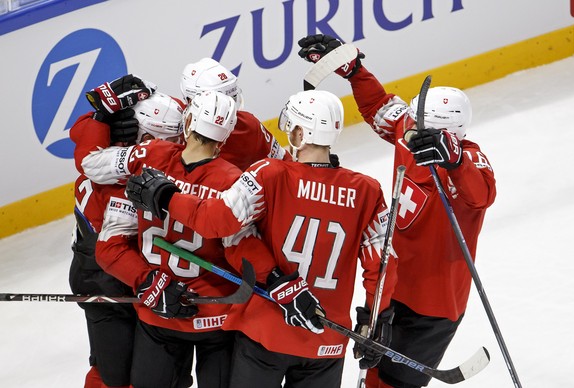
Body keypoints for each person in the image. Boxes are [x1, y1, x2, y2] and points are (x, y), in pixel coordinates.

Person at [125, 89, 398, 388]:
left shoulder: (268, 174)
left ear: (299, 134)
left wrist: (166, 196)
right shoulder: (367, 191)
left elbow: (219, 223)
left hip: (264, 330)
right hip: (326, 341)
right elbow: (382, 267)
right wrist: (374, 321)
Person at [296, 34, 497, 388]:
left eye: (423, 128)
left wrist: (454, 159)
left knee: (388, 384)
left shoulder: (469, 159)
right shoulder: (411, 132)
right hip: (390, 286)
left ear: (449, 133)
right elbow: (381, 107)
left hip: (433, 306)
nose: (411, 129)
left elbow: (481, 192)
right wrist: (354, 70)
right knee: (369, 374)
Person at [74, 88, 284, 388]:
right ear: (225, 139)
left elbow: (92, 169)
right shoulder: (233, 180)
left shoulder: (146, 158)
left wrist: (147, 281)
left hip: (158, 316)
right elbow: (242, 245)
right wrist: (277, 280)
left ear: (187, 123)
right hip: (219, 315)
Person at [68, 75, 175, 388]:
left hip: (112, 265)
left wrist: (104, 114)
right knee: (114, 375)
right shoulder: (124, 180)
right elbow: (113, 251)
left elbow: (82, 134)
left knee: (120, 365)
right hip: (105, 276)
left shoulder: (109, 150)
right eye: (167, 138)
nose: (176, 144)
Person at [179, 57, 292, 171]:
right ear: (190, 101)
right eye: (218, 104)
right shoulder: (171, 123)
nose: (228, 111)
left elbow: (286, 166)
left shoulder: (248, 126)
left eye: (232, 100)